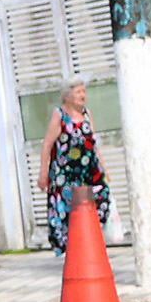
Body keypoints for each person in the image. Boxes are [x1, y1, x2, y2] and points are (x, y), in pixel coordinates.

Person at [42, 81, 111, 251]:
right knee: (67, 210)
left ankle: (90, 237)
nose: (83, 95)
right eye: (78, 91)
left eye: (84, 91)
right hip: (65, 174)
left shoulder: (87, 114)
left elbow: (92, 143)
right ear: (67, 96)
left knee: (102, 197)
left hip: (89, 171)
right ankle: (73, 247)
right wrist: (43, 174)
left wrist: (104, 169)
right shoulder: (59, 115)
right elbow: (47, 145)